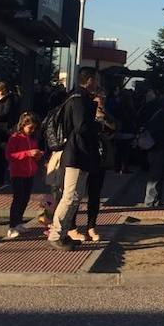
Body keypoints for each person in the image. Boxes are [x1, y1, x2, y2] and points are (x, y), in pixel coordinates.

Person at [48, 68, 101, 251]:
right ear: (90, 80)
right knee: (70, 197)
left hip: (79, 153)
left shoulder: (77, 97)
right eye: (96, 80)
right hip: (76, 153)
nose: (98, 84)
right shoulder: (79, 99)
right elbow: (81, 126)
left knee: (75, 196)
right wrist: (97, 124)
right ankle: (56, 234)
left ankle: (62, 234)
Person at [74, 90, 116, 241]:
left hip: (100, 159)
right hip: (85, 157)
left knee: (94, 194)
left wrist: (104, 118)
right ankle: (72, 226)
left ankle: (91, 226)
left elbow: (114, 128)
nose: (100, 103)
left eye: (103, 99)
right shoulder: (84, 114)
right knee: (76, 194)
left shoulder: (105, 114)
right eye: (98, 100)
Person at [4, 112, 43, 239]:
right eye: (30, 128)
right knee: (18, 199)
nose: (32, 130)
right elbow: (10, 156)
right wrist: (27, 153)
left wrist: (37, 156)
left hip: (29, 173)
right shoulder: (15, 138)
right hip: (17, 173)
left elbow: (33, 156)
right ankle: (12, 225)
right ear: (23, 125)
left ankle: (18, 222)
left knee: (25, 199)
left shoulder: (32, 139)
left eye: (34, 128)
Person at [0, 81, 21, 186]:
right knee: (1, 153)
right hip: (4, 127)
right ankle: (2, 176)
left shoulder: (8, 100)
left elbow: (6, 113)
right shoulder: (7, 99)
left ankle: (4, 177)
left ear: (2, 91)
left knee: (3, 152)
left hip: (5, 128)